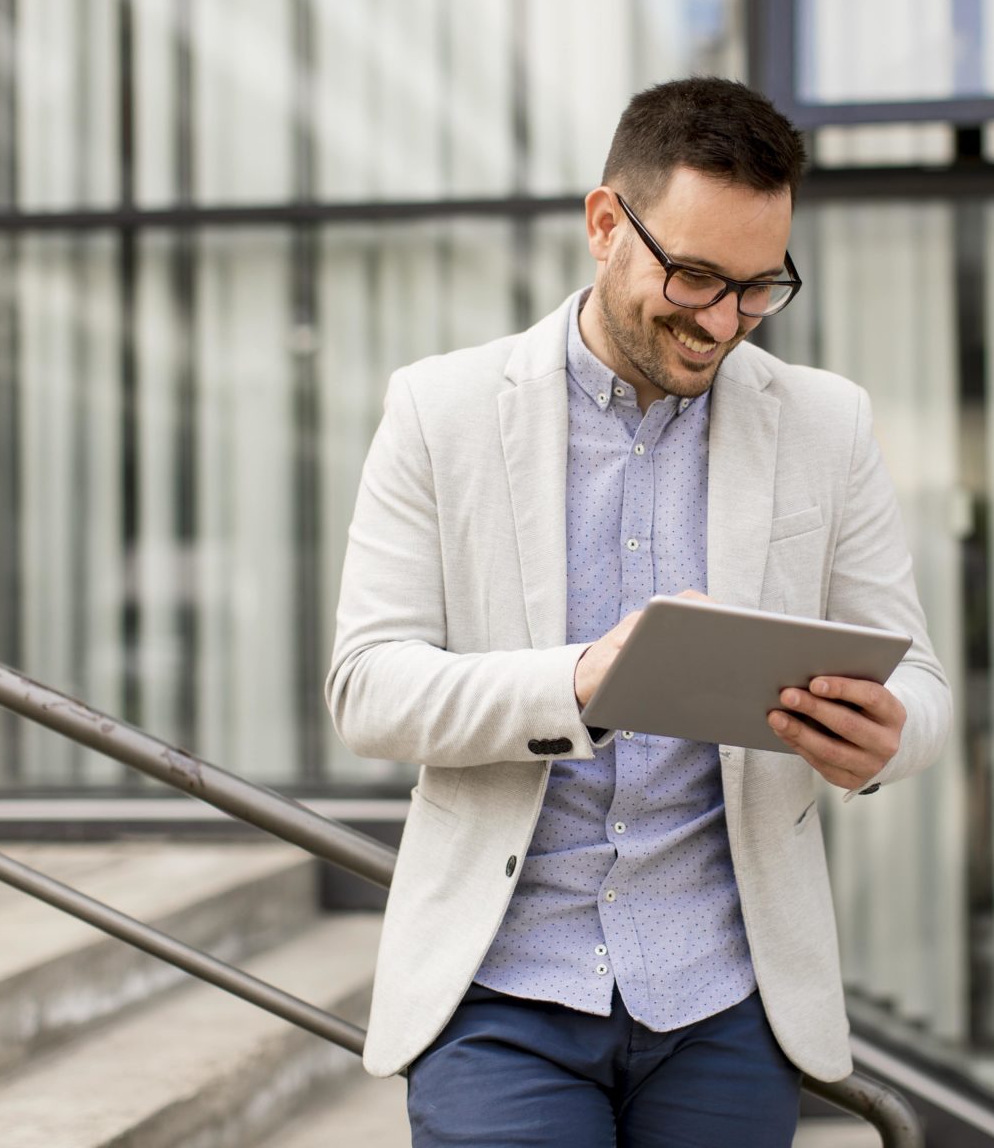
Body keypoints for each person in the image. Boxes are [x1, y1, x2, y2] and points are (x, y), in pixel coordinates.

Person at [324, 76, 950, 1146]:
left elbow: (920, 685)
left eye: (759, 287)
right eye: (697, 276)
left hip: (725, 997)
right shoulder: (441, 410)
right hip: (502, 990)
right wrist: (577, 680)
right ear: (606, 223)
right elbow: (368, 687)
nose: (723, 322)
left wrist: (888, 736)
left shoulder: (827, 424)